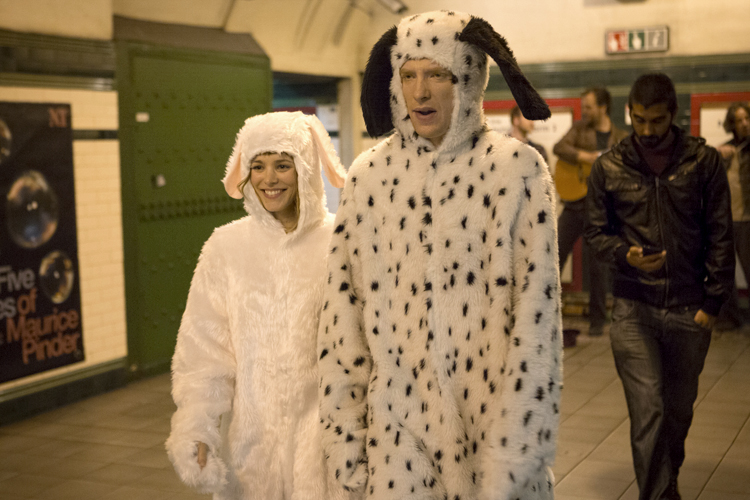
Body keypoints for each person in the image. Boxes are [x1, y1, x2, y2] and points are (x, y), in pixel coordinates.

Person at [318, 10, 563, 500]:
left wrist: (518, 448)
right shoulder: (369, 177)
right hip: (397, 437)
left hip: (487, 430)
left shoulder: (515, 170)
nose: (420, 91)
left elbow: (539, 317)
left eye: (437, 74)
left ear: (468, 80)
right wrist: (344, 439)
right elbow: (342, 314)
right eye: (408, 75)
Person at [166, 111, 351, 500]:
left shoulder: (341, 242)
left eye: (283, 165)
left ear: (305, 168)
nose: (269, 179)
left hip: (326, 448)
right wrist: (197, 425)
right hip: (251, 453)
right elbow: (203, 352)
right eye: (258, 166)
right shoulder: (226, 248)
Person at [585, 73, 734, 500]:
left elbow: (720, 232)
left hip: (689, 309)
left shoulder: (702, 162)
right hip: (633, 308)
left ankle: (667, 479)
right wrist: (624, 254)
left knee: (677, 412)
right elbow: (595, 233)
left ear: (674, 114)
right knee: (648, 407)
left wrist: (713, 302)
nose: (647, 130)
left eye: (657, 121)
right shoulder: (608, 167)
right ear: (629, 113)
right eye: (639, 120)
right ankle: (660, 494)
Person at [553, 87, 628, 336]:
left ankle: (598, 321)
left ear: (603, 107)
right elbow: (559, 148)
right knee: (553, 255)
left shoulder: (620, 138)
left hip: (600, 210)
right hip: (574, 205)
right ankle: (546, 313)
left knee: (598, 266)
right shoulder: (579, 129)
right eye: (583, 106)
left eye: (588, 106)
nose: (584, 111)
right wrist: (587, 157)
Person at [716, 102, 750, 331]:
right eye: (739, 120)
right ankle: (732, 318)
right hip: (728, 219)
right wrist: (719, 153)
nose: (744, 124)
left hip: (747, 220)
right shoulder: (727, 149)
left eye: (747, 118)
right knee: (724, 271)